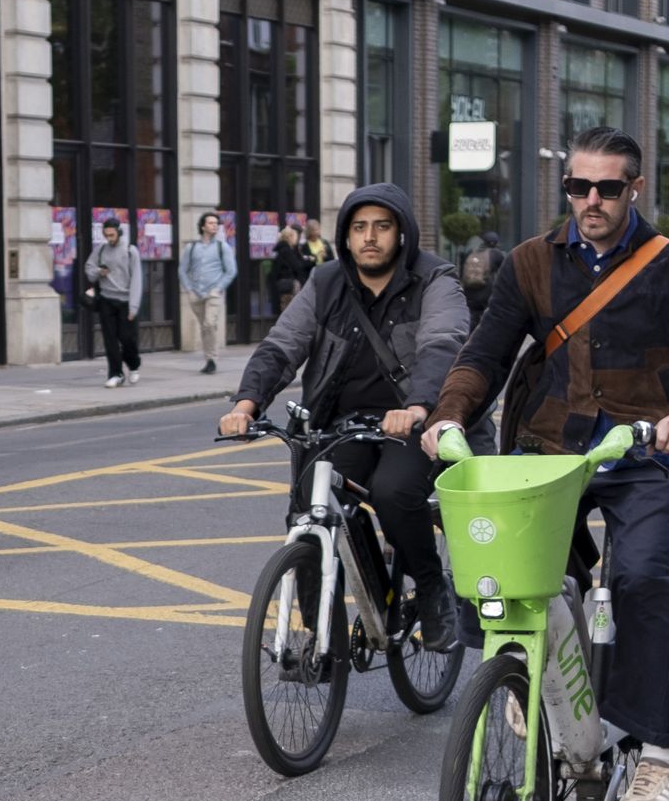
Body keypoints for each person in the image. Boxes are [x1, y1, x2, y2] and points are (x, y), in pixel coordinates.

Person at [423, 125, 669, 801]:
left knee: (639, 579)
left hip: (646, 450)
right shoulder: (533, 262)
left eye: (606, 187)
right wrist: (446, 416)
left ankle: (659, 753)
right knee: (508, 572)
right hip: (550, 448)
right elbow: (484, 351)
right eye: (578, 186)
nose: (590, 200)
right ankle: (533, 672)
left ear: (634, 188)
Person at [218, 183, 471, 649]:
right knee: (310, 504)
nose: (369, 237)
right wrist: (246, 404)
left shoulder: (434, 280)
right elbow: (282, 345)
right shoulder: (326, 282)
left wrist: (417, 406)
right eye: (359, 228)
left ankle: (432, 588)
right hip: (343, 424)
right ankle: (324, 631)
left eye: (381, 226)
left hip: (412, 424)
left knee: (394, 494)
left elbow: (442, 344)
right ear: (346, 236)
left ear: (402, 233)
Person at [84, 217, 143, 388]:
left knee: (126, 338)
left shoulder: (131, 251)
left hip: (125, 301)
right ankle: (116, 373)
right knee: (110, 340)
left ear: (119, 232)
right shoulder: (101, 249)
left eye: (112, 235)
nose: (109, 238)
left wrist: (134, 306)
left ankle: (133, 365)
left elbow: (136, 280)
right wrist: (98, 272)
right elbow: (89, 269)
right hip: (106, 300)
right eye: (106, 235)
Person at [180, 211, 236, 373]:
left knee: (209, 324)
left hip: (214, 292)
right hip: (195, 293)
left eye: (216, 223)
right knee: (204, 327)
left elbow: (231, 271)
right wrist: (189, 289)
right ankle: (208, 358)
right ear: (203, 226)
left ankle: (212, 358)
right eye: (211, 223)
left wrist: (218, 288)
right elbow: (182, 270)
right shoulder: (191, 248)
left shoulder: (222, 247)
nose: (214, 226)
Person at [461, 229, 507, 321]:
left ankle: (470, 333)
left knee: (472, 316)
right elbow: (505, 271)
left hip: (469, 291)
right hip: (486, 292)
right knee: (489, 317)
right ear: (495, 243)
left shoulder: (472, 252)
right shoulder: (496, 253)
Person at [271, 224, 307, 312]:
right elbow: (297, 266)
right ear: (289, 237)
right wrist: (305, 261)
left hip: (283, 283)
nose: (297, 238)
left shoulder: (281, 249)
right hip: (288, 283)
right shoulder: (286, 250)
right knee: (291, 309)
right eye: (295, 236)